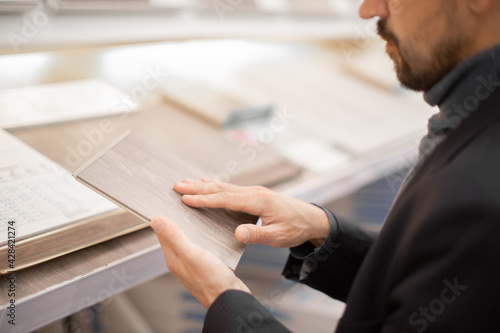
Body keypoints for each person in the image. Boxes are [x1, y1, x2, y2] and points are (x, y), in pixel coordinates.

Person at [150, 0, 500, 331]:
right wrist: (322, 231)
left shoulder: (479, 198)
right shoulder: (473, 122)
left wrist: (224, 298)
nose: (368, 10)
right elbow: (426, 283)